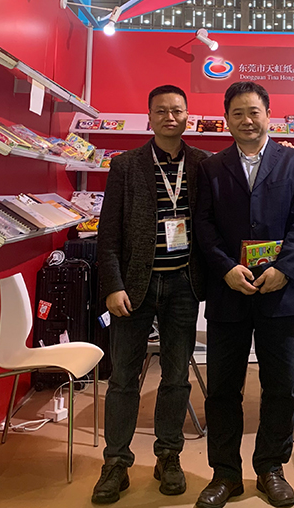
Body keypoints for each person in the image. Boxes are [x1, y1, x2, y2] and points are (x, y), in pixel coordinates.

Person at [194, 82, 294, 508]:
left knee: (280, 386)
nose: (247, 120)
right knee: (222, 387)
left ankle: (271, 468)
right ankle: (225, 474)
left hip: (280, 292)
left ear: (268, 115)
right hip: (229, 290)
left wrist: (284, 268)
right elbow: (203, 225)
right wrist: (225, 268)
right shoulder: (211, 167)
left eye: (254, 112)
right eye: (238, 113)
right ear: (227, 119)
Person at [93, 85, 209, 505]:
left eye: (177, 110)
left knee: (176, 376)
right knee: (123, 378)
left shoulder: (203, 164)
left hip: (184, 285)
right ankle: (116, 463)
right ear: (149, 116)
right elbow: (108, 233)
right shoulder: (126, 165)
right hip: (134, 286)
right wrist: (112, 285)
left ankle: (168, 456)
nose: (169, 117)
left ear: (188, 115)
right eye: (161, 111)